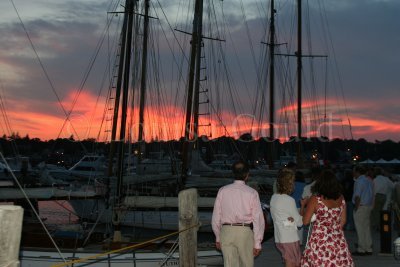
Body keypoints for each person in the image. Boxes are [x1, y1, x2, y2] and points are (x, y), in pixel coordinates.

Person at [211, 160, 265, 267]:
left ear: (233, 173)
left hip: (226, 232)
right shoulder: (252, 193)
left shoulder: (222, 190)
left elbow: (216, 216)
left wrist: (218, 236)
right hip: (244, 232)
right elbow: (258, 219)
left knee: (229, 265)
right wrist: (257, 243)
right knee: (246, 264)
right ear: (247, 175)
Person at [301, 169, 354, 266]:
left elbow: (305, 222)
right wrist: (333, 227)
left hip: (320, 238)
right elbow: (343, 221)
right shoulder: (341, 198)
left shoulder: (315, 199)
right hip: (337, 238)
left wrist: (304, 206)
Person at [270, 168, 303, 267]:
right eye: (293, 181)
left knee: (290, 262)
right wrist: (303, 205)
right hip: (289, 238)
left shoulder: (274, 197)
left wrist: (290, 220)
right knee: (292, 263)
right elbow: (300, 222)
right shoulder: (289, 200)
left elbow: (277, 219)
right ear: (289, 183)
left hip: (279, 237)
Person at [352, 164, 374, 256]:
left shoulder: (359, 181)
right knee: (366, 227)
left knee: (360, 228)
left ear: (357, 172)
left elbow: (357, 196)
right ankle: (368, 247)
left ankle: (361, 248)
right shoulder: (368, 180)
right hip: (368, 206)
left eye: (354, 171)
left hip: (360, 206)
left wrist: (356, 208)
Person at [371, 167, 394, 231]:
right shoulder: (386, 179)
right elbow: (393, 186)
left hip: (377, 196)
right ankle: (382, 225)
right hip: (384, 196)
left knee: (376, 212)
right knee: (382, 211)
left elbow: (373, 190)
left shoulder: (375, 180)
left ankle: (377, 226)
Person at [291, 171, 306, 245]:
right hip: (301, 206)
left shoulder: (292, 185)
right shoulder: (304, 185)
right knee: (300, 225)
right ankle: (300, 241)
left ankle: (294, 239)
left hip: (293, 206)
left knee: (293, 224)